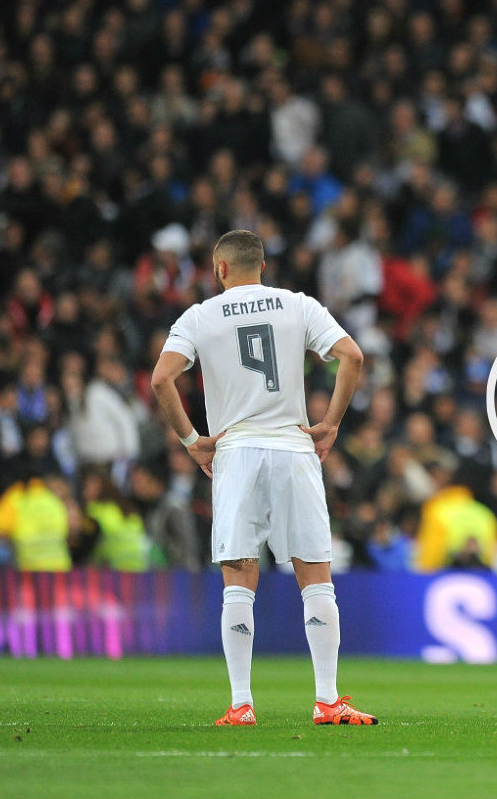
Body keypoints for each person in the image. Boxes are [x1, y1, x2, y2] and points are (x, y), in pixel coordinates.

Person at [151, 229, 376, 726]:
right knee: (315, 576)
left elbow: (161, 378)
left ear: (220, 269)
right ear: (263, 267)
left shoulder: (199, 316)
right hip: (294, 447)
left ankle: (241, 703)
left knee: (239, 578)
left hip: (236, 450)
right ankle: (327, 700)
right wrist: (331, 424)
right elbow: (353, 357)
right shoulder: (297, 305)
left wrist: (192, 441)